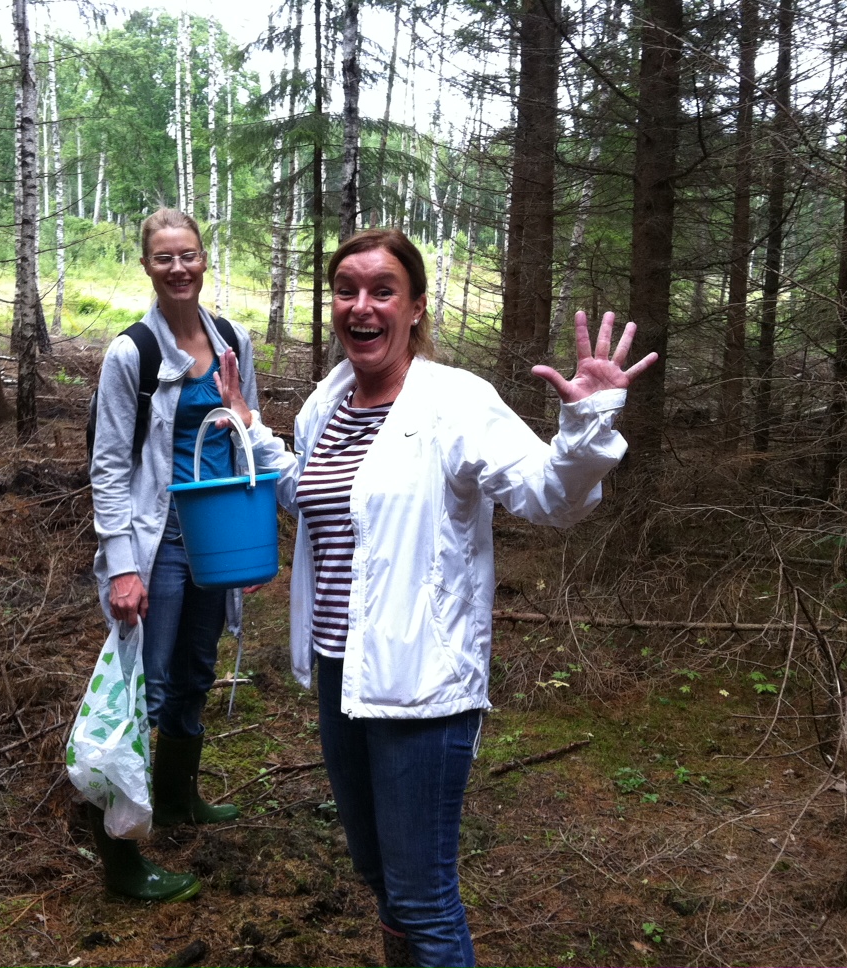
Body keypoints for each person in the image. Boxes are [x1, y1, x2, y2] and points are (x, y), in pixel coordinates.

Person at [217, 229, 656, 966]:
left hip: (422, 688)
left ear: (416, 306)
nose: (361, 305)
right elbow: (311, 495)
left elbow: (550, 497)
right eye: (347, 290)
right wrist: (253, 428)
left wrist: (586, 425)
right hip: (340, 674)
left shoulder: (455, 402)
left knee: (423, 899)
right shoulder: (328, 402)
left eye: (382, 290)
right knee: (379, 877)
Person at [86, 208, 293, 902]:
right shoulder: (133, 354)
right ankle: (120, 853)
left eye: (189, 255)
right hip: (157, 541)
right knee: (141, 689)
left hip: (217, 537)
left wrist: (251, 544)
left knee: (196, 672)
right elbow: (108, 465)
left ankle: (177, 799)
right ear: (147, 265)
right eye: (164, 257)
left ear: (204, 259)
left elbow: (247, 438)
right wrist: (122, 565)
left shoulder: (232, 340)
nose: (179, 268)